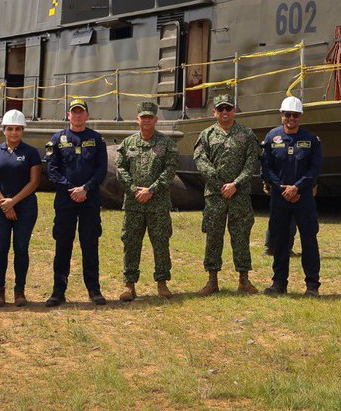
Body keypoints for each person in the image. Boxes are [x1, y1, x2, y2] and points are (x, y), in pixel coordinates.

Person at [193, 93, 262, 295]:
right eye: (220, 109)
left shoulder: (247, 134)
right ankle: (212, 280)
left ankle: (244, 280)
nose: (224, 112)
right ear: (214, 112)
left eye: (228, 108)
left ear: (234, 110)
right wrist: (220, 184)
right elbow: (201, 161)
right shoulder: (206, 135)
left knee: (241, 236)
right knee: (214, 236)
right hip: (215, 196)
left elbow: (251, 163)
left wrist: (235, 184)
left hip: (239, 195)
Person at [44, 98, 108, 306]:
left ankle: (94, 290)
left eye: (81, 112)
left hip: (89, 200)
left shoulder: (97, 139)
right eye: (74, 112)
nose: (78, 115)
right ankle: (58, 291)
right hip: (65, 201)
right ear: (68, 115)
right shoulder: (57, 139)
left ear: (87, 116)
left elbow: (101, 169)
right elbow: (52, 170)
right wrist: (70, 188)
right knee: (63, 245)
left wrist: (85, 188)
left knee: (90, 245)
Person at [115, 100, 179, 302]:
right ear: (137, 119)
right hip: (134, 204)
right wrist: (134, 190)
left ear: (156, 119)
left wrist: (152, 189)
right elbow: (120, 169)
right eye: (143, 117)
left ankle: (162, 283)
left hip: (157, 203)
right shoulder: (128, 144)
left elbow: (170, 170)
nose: (146, 120)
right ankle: (129, 285)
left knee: (161, 243)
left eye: (150, 117)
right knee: (131, 243)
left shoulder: (166, 144)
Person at [261, 96, 324, 297]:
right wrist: (281, 188)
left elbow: (315, 169)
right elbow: (266, 167)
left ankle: (312, 286)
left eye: (295, 115)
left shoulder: (311, 140)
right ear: (282, 115)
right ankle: (279, 283)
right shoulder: (272, 138)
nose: (291, 118)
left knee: (309, 241)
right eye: (287, 114)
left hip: (303, 198)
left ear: (300, 117)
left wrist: (296, 188)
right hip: (280, 198)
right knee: (280, 242)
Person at [0, 109, 43, 307]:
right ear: (3, 130)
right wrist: (4, 203)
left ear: (23, 131)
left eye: (18, 129)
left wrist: (13, 202)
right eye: (10, 129)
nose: (14, 133)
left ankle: (20, 292)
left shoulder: (31, 153)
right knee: (0, 249)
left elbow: (34, 182)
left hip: (25, 207)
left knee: (21, 249)